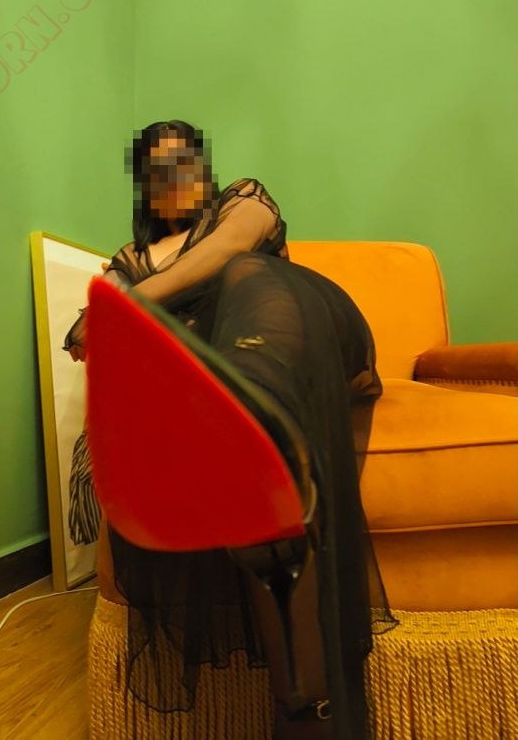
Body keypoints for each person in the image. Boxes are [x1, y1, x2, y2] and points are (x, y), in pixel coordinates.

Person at [63, 120, 399, 739]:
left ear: (206, 170)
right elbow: (86, 329)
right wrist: (109, 309)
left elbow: (226, 252)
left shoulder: (241, 202)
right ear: (144, 186)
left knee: (249, 274)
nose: (172, 175)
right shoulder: (130, 260)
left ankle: (251, 406)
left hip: (312, 333)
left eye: (184, 161)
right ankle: (306, 707)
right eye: (156, 169)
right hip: (239, 400)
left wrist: (130, 303)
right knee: (263, 510)